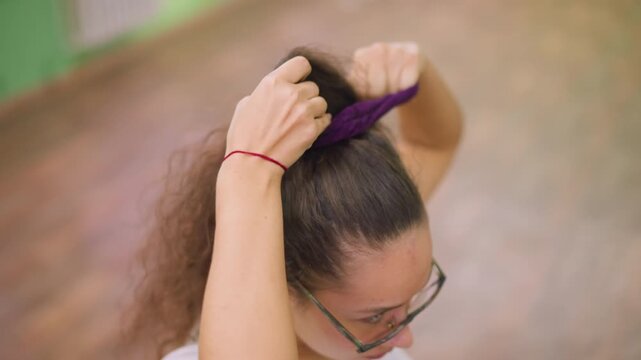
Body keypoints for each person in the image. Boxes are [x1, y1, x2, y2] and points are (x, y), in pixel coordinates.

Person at [124, 41, 462, 360]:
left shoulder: (366, 244)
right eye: (374, 318)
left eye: (410, 302)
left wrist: (418, 69)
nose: (405, 340)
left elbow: (432, 144)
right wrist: (248, 169)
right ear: (284, 286)